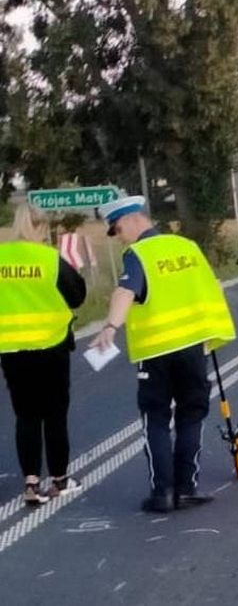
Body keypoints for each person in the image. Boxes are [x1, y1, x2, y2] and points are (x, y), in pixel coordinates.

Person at [90, 196, 237, 513]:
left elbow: (126, 291)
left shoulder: (138, 253)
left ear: (131, 219)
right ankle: (186, 488)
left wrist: (110, 327)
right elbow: (212, 287)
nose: (119, 238)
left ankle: (163, 493)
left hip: (156, 351)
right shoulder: (187, 247)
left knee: (155, 418)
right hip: (193, 347)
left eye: (117, 230)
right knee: (191, 414)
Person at [0, 204, 86, 506]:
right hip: (51, 346)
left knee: (25, 416)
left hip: (11, 349)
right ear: (39, 228)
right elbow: (77, 295)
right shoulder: (50, 259)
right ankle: (60, 480)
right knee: (54, 415)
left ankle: (31, 484)